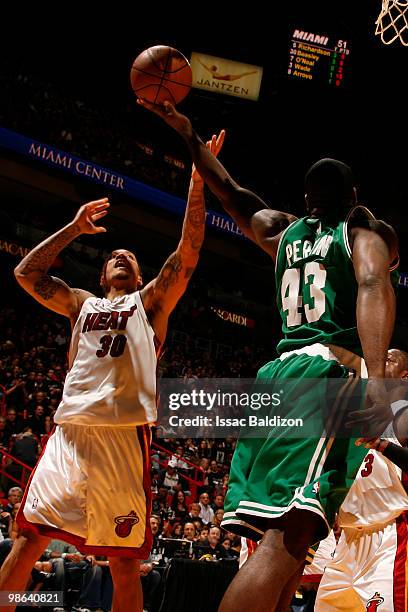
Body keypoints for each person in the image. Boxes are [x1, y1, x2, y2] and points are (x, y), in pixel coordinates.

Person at [138, 98, 399, 611]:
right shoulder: (361, 233)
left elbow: (229, 191)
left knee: (292, 545)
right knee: (289, 540)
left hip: (273, 378)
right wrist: (377, 381)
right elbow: (372, 284)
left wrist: (187, 132)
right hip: (324, 374)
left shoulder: (281, 232)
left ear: (306, 199)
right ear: (354, 197)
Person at [0, 133, 224, 612]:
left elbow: (187, 252)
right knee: (27, 544)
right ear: (102, 276)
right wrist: (73, 229)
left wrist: (197, 185)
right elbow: (25, 273)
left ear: (140, 277)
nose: (122, 256)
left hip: (124, 436)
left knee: (124, 564)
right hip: (71, 433)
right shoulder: (82, 302)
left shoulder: (152, 302)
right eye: (113, 258)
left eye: (131, 258)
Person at [315, 348, 408, 610]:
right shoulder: (361, 411)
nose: (380, 361)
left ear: (405, 376)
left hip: (389, 535)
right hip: (347, 538)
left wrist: (383, 446)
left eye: (389, 360)